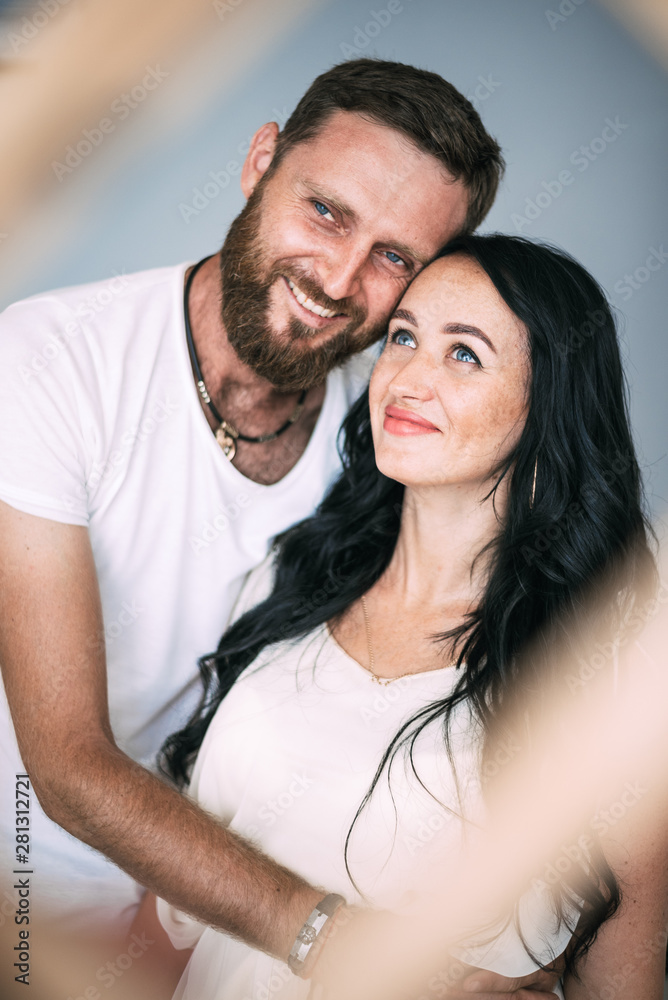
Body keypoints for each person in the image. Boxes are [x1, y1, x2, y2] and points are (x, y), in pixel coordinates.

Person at [0, 57, 504, 952]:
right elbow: (68, 770)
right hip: (28, 882)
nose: (339, 278)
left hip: (199, 909)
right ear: (260, 161)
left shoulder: (387, 434)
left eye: (394, 257)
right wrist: (331, 942)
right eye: (326, 211)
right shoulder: (49, 361)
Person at [155, 234, 665, 1000]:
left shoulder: (609, 672)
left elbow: (623, 981)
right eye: (403, 337)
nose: (407, 378)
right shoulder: (290, 575)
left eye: (464, 355)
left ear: (547, 402)